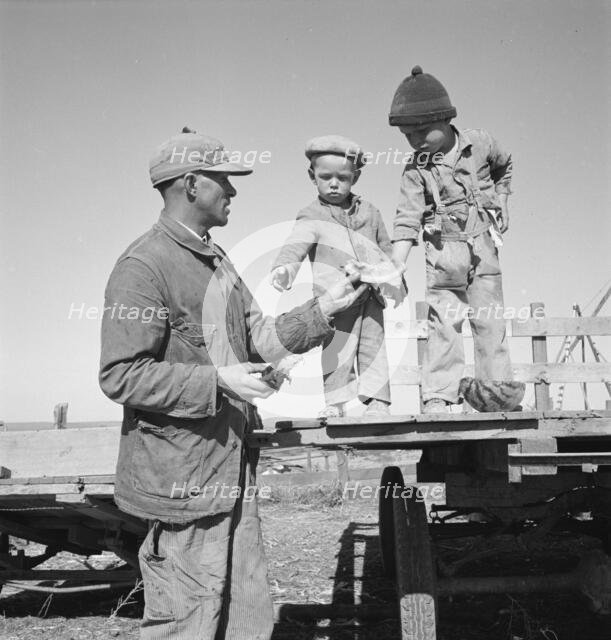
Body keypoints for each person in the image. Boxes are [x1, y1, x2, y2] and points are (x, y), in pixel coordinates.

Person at [99, 128, 368, 640]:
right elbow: (120, 375)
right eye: (225, 179)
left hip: (231, 466)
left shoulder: (218, 262)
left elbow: (263, 339)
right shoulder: (143, 267)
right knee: (187, 621)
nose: (234, 191)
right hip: (182, 483)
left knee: (244, 616)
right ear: (193, 184)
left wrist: (326, 306)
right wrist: (218, 381)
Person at [389, 66, 514, 414]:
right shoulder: (416, 170)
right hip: (445, 254)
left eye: (421, 131)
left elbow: (505, 166)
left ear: (445, 119)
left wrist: (502, 198)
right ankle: (440, 396)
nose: (414, 140)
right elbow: (406, 218)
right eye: (406, 134)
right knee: (444, 321)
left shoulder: (482, 143)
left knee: (490, 320)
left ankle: (497, 395)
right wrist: (396, 261)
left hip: (484, 248)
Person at [271, 135, 399, 419]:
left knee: (373, 349)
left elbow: (388, 250)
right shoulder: (311, 215)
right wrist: (286, 268)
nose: (334, 183)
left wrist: (396, 282)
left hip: (371, 297)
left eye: (342, 177)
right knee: (337, 351)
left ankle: (378, 402)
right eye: (325, 176)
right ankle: (336, 402)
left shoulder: (371, 212)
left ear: (355, 176)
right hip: (336, 298)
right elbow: (296, 243)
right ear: (311, 176)